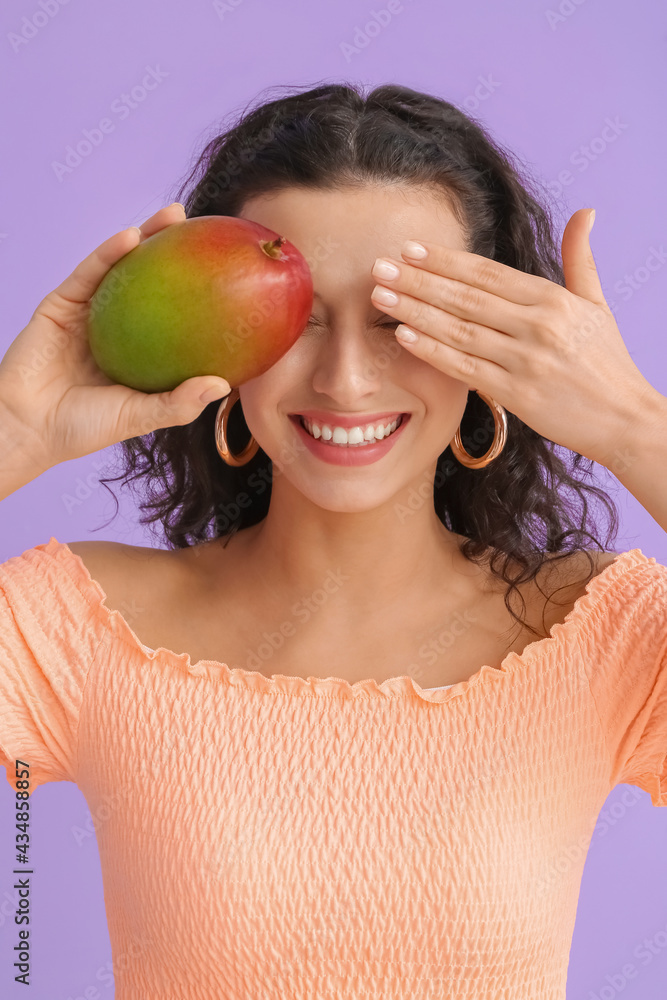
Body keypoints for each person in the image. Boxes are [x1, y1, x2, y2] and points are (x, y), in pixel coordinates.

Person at [1, 81, 665, 998]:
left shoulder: (604, 634)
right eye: (296, 316)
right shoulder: (73, 628)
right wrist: (11, 430)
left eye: (402, 320)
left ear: (493, 346)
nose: (347, 381)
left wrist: (637, 429)